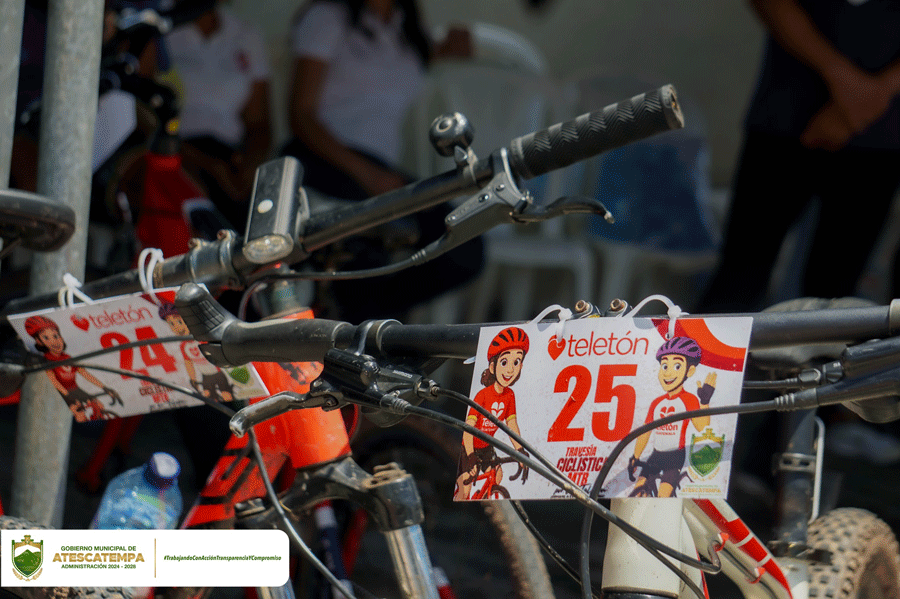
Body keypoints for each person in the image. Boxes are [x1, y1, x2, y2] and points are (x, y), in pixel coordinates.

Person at [282, 0, 481, 323]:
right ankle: (352, 324)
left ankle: (362, 319)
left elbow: (392, 71)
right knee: (368, 243)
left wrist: (447, 49)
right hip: (324, 161)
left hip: (380, 173)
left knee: (465, 245)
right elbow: (301, 115)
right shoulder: (328, 18)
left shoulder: (406, 30)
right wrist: (368, 175)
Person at [697, 0, 900, 314]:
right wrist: (847, 83)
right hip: (785, 120)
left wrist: (869, 97)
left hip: (880, 139)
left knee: (836, 297)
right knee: (738, 282)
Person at [164, 0, 273, 230]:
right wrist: (209, 166)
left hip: (230, 158)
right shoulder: (160, 27)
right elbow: (143, 117)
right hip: (175, 153)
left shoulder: (245, 33)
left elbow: (258, 123)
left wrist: (249, 169)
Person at [630, 337, 714, 498]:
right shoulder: (656, 402)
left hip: (675, 457)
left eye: (677, 366)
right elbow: (645, 432)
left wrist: (704, 403)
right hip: (656, 454)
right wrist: (636, 456)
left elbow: (701, 427)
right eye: (664, 366)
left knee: (664, 497)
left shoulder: (689, 399)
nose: (668, 372)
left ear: (689, 371)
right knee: (637, 492)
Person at [455, 327, 528, 500]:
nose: (510, 370)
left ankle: (485, 501)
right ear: (493, 366)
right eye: (504, 362)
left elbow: (511, 424)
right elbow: (468, 428)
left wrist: (520, 450)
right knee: (465, 488)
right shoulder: (483, 395)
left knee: (498, 475)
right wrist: (470, 455)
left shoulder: (509, 395)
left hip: (486, 447)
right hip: (469, 446)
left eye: (516, 362)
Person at [24, 315, 121, 423]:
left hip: (76, 389)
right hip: (63, 394)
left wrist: (105, 388)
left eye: (56, 336)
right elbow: (54, 381)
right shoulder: (47, 361)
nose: (54, 342)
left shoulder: (68, 358)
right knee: (79, 414)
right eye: (46, 338)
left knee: (98, 405)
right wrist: (67, 396)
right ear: (39, 341)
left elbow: (85, 374)